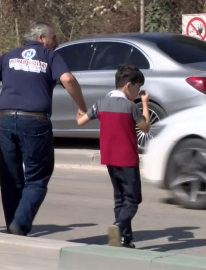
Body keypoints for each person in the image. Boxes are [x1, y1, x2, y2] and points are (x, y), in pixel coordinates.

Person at [0, 22, 87, 236]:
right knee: (37, 177)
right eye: (53, 37)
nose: (55, 42)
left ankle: (13, 226)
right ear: (41, 38)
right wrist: (82, 107)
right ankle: (20, 222)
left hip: (6, 121)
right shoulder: (49, 56)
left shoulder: (9, 56)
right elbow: (67, 79)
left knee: (10, 177)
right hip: (35, 122)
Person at [77, 65, 150, 248]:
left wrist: (80, 111)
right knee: (133, 199)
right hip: (127, 159)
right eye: (137, 88)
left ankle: (125, 239)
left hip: (109, 159)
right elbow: (146, 127)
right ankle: (118, 225)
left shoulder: (100, 104)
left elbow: (81, 121)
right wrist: (145, 103)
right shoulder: (130, 106)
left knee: (120, 199)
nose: (137, 92)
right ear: (128, 85)